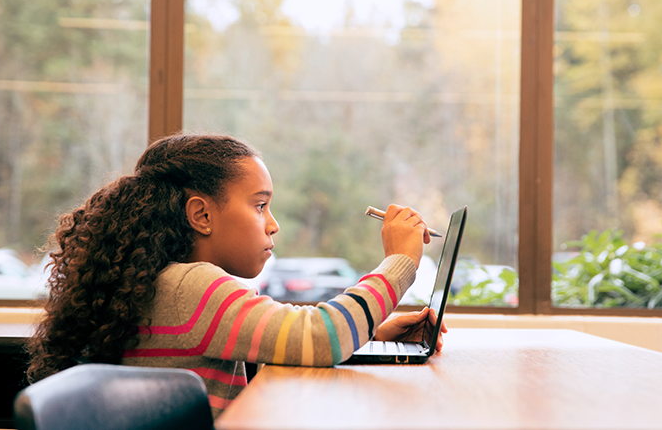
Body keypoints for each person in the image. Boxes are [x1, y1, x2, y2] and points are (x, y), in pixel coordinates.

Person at [26, 134, 448, 418]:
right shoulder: (191, 287)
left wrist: (375, 329)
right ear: (202, 215)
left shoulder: (166, 284)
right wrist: (399, 261)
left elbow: (282, 335)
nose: (273, 224)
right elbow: (320, 336)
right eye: (260, 206)